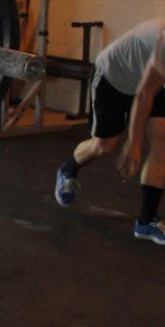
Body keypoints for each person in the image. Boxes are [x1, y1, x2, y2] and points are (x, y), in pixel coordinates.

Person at [54, 19, 165, 244]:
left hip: (152, 82)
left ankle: (146, 222)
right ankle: (68, 169)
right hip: (113, 78)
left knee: (162, 142)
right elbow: (144, 94)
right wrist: (133, 144)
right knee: (104, 145)